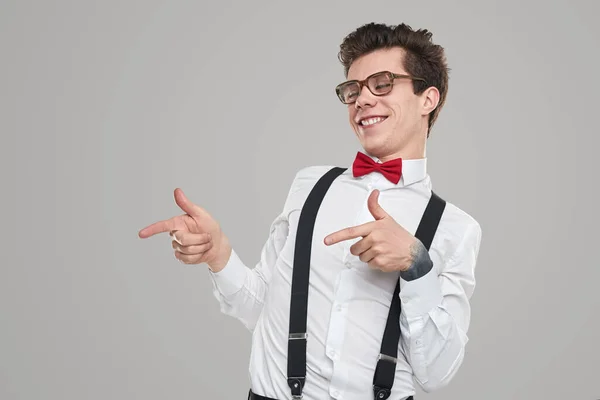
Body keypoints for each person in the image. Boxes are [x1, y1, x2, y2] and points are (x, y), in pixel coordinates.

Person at [139, 22, 482, 400]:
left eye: (382, 83)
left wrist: (416, 264)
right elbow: (262, 311)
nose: (362, 100)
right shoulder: (310, 186)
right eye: (353, 90)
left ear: (427, 99)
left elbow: (436, 374)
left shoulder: (456, 228)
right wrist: (219, 254)